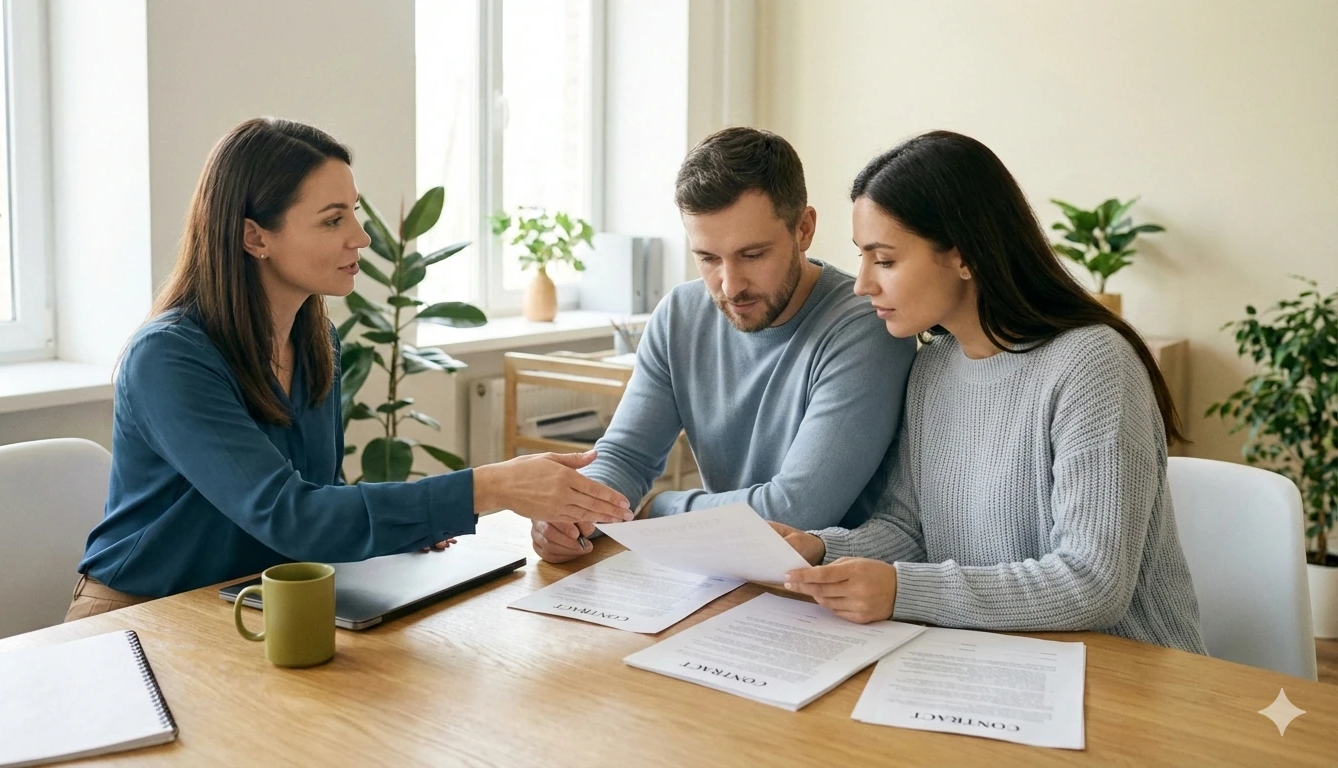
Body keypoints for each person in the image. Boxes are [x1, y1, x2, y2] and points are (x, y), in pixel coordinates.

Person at [68, 118, 631, 620]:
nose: (360, 238)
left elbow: (320, 491)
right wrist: (493, 486)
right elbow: (290, 515)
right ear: (253, 236)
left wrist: (410, 527)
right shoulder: (170, 358)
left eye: (354, 213)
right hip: (142, 615)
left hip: (252, 603)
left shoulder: (316, 340)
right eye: (333, 219)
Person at [773, 131, 1205, 653]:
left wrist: (902, 590)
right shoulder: (932, 367)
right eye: (861, 258)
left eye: (884, 260)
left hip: (1126, 677)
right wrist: (820, 550)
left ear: (964, 256)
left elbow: (1093, 583)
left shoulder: (1093, 365)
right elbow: (912, 528)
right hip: (992, 659)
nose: (863, 284)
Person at [532, 127, 915, 563]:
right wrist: (572, 515)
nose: (730, 286)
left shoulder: (865, 325)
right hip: (723, 571)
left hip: (834, 591)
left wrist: (661, 508)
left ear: (804, 229)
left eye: (752, 255)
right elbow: (625, 456)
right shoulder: (679, 313)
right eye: (708, 258)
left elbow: (797, 512)